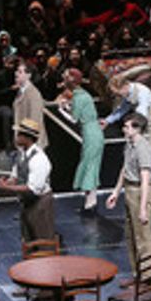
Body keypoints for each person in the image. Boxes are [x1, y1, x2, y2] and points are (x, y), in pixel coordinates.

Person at [102, 76, 151, 201]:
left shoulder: (142, 91)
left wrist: (132, 128)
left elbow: (141, 112)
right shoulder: (128, 94)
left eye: (117, 92)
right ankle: (142, 196)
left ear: (124, 86)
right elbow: (122, 109)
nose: (117, 96)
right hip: (142, 126)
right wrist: (108, 121)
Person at [106, 113, 151, 277]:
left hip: (139, 191)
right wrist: (116, 191)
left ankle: (148, 276)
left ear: (137, 129)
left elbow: (145, 178)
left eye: (127, 126)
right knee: (131, 235)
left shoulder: (143, 148)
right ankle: (137, 274)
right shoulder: (129, 144)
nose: (124, 129)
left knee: (143, 237)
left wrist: (142, 208)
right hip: (129, 189)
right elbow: (125, 169)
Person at [0, 118, 56, 242]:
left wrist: (6, 187)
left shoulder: (39, 159)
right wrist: (6, 182)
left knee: (43, 241)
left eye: (19, 134)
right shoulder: (21, 154)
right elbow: (16, 176)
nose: (16, 136)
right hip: (27, 203)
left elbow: (32, 188)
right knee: (27, 241)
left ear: (27, 138)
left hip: (40, 204)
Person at [57, 68, 103, 210]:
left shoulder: (79, 97)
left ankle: (90, 201)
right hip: (92, 132)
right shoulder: (82, 95)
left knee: (90, 164)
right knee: (90, 164)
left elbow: (74, 119)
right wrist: (68, 106)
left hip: (91, 133)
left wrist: (61, 109)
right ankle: (90, 201)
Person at [11, 62, 48, 150]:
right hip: (23, 142)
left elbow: (34, 121)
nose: (16, 73)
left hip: (32, 144)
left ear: (28, 75)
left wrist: (26, 143)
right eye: (16, 71)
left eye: (20, 72)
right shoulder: (21, 92)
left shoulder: (33, 94)